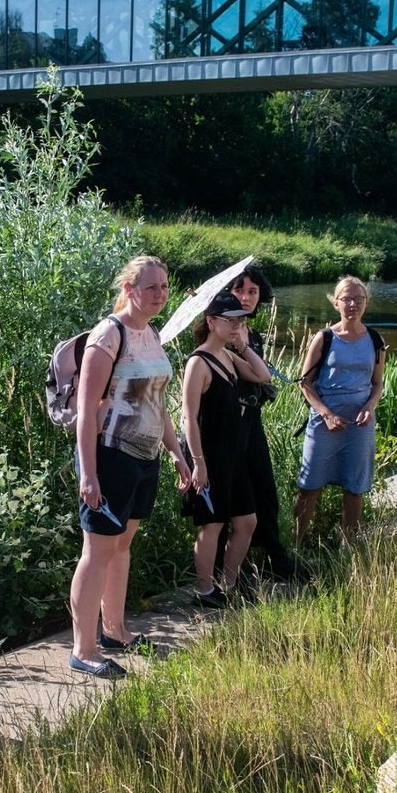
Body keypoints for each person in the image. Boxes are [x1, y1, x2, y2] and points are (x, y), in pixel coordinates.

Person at [71, 255, 194, 679]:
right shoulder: (110, 334)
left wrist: (177, 453)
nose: (160, 294)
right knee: (98, 551)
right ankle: (83, 649)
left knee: (122, 546)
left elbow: (157, 403)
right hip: (111, 456)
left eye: (164, 286)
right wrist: (89, 474)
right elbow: (86, 412)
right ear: (128, 289)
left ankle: (115, 631)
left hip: (146, 458)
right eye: (150, 287)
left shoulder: (152, 333)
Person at [181, 288, 272, 605]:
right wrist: (198, 463)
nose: (237, 324)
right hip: (211, 457)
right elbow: (188, 418)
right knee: (212, 524)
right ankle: (204, 590)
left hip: (235, 456)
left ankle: (230, 584)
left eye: (241, 319)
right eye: (230, 320)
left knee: (247, 521)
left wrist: (243, 345)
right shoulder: (198, 362)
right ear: (210, 321)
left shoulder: (228, 356)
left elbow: (262, 376)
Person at [293, 276, 385, 546]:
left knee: (354, 488)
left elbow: (378, 384)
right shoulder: (324, 338)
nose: (353, 304)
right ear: (336, 303)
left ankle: (349, 548)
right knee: (309, 486)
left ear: (366, 303)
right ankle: (295, 547)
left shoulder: (376, 340)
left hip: (359, 424)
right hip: (324, 421)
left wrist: (369, 407)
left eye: (359, 299)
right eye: (347, 298)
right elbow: (305, 383)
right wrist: (326, 413)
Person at [223, 265, 298, 580]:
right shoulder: (222, 331)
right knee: (234, 498)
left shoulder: (251, 333)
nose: (247, 297)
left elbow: (258, 377)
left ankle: (272, 557)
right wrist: (239, 347)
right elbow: (246, 375)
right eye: (240, 290)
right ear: (228, 292)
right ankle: (230, 571)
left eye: (253, 291)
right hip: (229, 423)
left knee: (266, 490)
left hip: (252, 419)